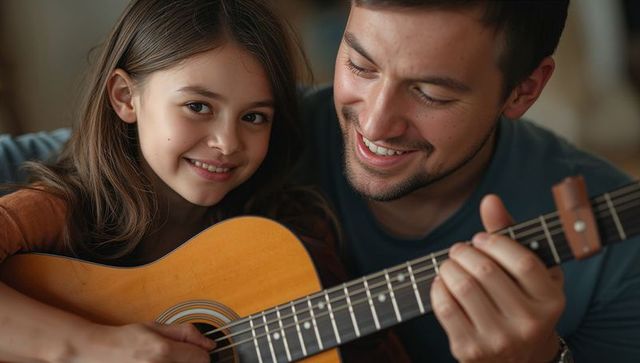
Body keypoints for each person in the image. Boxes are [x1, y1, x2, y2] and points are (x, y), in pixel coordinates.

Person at [0, 0, 360, 361]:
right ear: (126, 97)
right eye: (198, 107)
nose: (227, 142)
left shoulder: (291, 239)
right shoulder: (60, 210)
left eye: (253, 117)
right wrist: (94, 347)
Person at [298, 0, 640, 362]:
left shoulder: (620, 252)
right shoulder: (249, 139)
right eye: (361, 66)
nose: (374, 124)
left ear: (523, 90)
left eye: (431, 94)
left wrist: (542, 357)